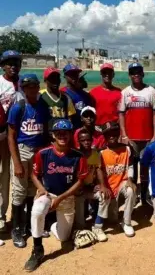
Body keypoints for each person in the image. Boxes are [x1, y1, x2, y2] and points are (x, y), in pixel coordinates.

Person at [24, 119, 88, 271]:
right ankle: (38, 249)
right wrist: (41, 188)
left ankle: (50, 223)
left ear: (70, 135)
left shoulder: (78, 156)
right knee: (38, 209)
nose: (62, 136)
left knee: (63, 238)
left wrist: (60, 199)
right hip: (49, 194)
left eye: (65, 133)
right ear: (53, 135)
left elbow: (80, 181)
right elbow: (34, 174)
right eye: (58, 133)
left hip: (66, 198)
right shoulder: (43, 153)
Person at [8, 74, 50, 248]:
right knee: (19, 190)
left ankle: (31, 225)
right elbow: (11, 136)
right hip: (22, 150)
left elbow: (46, 131)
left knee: (33, 190)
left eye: (34, 86)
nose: (32, 89)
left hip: (38, 151)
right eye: (28, 86)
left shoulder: (43, 106)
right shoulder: (19, 107)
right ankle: (17, 228)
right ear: (23, 89)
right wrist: (16, 162)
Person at [119, 62, 155, 184]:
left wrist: (154, 135)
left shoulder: (151, 91)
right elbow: (121, 114)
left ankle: (145, 194)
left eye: (138, 72)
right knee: (132, 165)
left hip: (148, 138)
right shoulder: (125, 92)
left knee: (146, 165)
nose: (135, 75)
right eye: (132, 73)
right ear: (129, 75)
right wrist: (124, 135)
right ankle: (134, 190)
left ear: (143, 74)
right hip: (131, 138)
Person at [96, 121, 137, 237]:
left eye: (114, 132)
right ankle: (102, 222)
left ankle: (127, 222)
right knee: (112, 220)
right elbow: (98, 171)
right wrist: (102, 186)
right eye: (108, 134)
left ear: (118, 133)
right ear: (104, 136)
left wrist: (130, 178)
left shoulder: (127, 149)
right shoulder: (101, 152)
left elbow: (130, 165)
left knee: (130, 189)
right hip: (109, 189)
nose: (111, 136)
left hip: (121, 185)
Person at [0, 50, 24, 232]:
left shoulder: (24, 83)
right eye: (9, 62)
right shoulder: (0, 83)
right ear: (2, 66)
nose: (13, 66)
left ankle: (18, 216)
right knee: (2, 177)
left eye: (16, 62)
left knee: (18, 176)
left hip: (20, 137)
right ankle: (0, 218)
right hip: (1, 136)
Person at [74, 129, 109, 242]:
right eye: (83, 140)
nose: (86, 142)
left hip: (91, 187)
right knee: (78, 202)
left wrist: (102, 185)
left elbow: (98, 169)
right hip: (79, 190)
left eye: (88, 140)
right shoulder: (75, 155)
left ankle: (98, 227)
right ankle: (80, 228)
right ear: (78, 141)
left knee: (104, 195)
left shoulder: (95, 154)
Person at [61, 64, 93, 129]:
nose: (74, 76)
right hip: (68, 130)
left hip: (83, 131)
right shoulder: (62, 93)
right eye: (71, 74)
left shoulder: (85, 95)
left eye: (76, 73)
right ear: (65, 76)